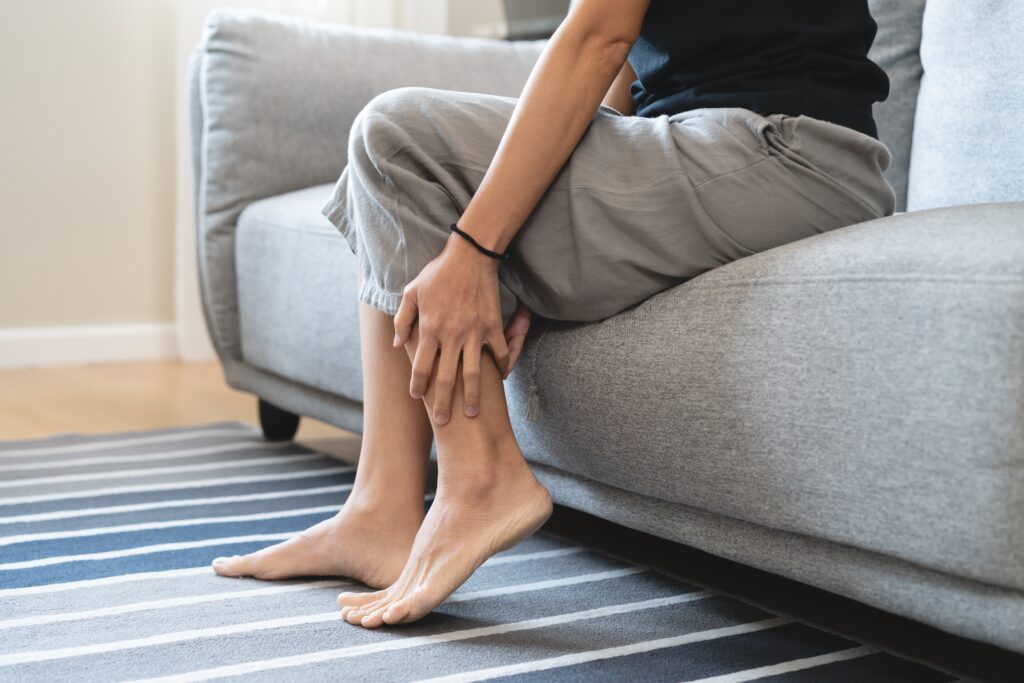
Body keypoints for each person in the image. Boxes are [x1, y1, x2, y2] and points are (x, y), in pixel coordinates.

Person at [211, 0, 897, 628]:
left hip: (788, 154)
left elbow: (597, 37)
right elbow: (624, 70)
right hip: (709, 142)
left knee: (396, 140)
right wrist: (540, 239)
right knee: (389, 175)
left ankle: (480, 479)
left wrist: (481, 248)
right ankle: (380, 508)